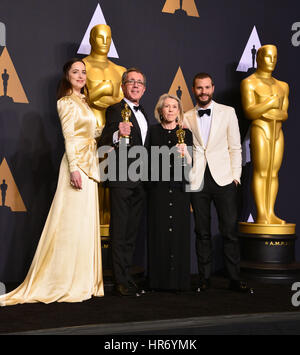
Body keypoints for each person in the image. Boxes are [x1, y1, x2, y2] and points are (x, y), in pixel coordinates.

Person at [0, 58, 104, 306]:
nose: (81, 76)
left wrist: (115, 131)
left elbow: (92, 134)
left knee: (84, 224)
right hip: (77, 166)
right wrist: (75, 169)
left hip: (90, 165)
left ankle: (84, 280)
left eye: (83, 72)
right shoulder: (65, 102)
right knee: (69, 225)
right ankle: (61, 280)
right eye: (75, 72)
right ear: (67, 76)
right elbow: (69, 136)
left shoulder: (84, 102)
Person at [183, 72, 252, 293]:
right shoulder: (186, 116)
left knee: (229, 231)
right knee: (201, 231)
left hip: (224, 179)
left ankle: (234, 277)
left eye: (207, 87)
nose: (203, 92)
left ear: (213, 88)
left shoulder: (228, 112)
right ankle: (204, 278)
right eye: (199, 88)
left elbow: (236, 147)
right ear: (194, 90)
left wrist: (235, 176)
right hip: (198, 179)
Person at [98, 68, 149, 296]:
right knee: (119, 230)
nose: (135, 85)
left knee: (131, 231)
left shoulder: (146, 113)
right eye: (131, 82)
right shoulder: (115, 110)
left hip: (142, 180)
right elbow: (104, 139)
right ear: (123, 86)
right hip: (121, 178)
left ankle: (127, 276)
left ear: (144, 88)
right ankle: (120, 280)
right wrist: (118, 133)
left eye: (139, 83)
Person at [148, 94, 192, 292]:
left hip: (180, 191)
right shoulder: (153, 132)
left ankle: (180, 282)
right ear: (160, 111)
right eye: (167, 106)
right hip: (159, 190)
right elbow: (147, 163)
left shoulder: (186, 134)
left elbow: (192, 167)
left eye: (174, 106)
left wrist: (186, 155)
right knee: (159, 234)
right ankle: (158, 282)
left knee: (179, 234)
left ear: (179, 111)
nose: (171, 110)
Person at [83, 24, 126, 226]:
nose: (105, 42)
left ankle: (111, 228)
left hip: (116, 131)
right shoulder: (81, 66)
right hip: (90, 130)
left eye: (108, 37)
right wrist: (107, 89)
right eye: (100, 37)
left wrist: (98, 94)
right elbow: (82, 99)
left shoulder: (120, 70)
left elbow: (122, 102)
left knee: (113, 180)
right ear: (91, 39)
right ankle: (90, 227)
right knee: (92, 180)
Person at [241, 44, 289, 225]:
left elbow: (284, 113)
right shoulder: (249, 82)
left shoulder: (282, 86)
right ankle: (262, 213)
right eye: (268, 57)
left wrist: (270, 111)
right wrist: (269, 104)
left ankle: (271, 212)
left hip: (277, 132)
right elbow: (250, 112)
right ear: (259, 58)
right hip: (260, 129)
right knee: (261, 172)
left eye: (275, 57)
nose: (272, 61)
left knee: (273, 172)